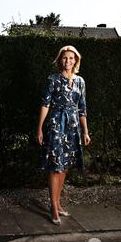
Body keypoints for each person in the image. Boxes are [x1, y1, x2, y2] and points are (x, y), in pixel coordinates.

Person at [36, 45, 91, 225]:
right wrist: (40, 128)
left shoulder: (81, 82)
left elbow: (82, 108)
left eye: (71, 58)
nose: (68, 61)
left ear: (76, 60)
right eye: (65, 58)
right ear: (60, 60)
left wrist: (85, 131)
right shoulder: (53, 79)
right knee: (55, 166)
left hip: (73, 126)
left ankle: (58, 203)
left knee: (65, 166)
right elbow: (45, 104)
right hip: (55, 125)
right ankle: (53, 206)